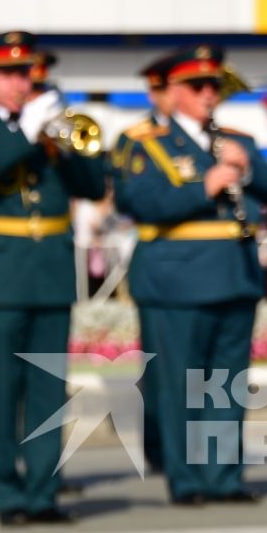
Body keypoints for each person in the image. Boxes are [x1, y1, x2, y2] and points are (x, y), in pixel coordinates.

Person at [115, 44, 267, 505]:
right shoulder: (146, 144)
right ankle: (187, 479)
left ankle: (223, 477)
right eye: (197, 86)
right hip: (177, 278)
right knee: (179, 386)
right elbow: (139, 203)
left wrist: (245, 170)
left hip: (234, 273)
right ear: (173, 91)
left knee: (226, 385)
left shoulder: (237, 139)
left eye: (213, 86)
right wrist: (202, 186)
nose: (209, 94)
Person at [0, 32, 106, 525]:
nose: (21, 82)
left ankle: (43, 491)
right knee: (1, 388)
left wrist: (66, 145)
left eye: (26, 73)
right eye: (10, 74)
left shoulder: (53, 132)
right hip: (2, 272)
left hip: (51, 272)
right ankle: (6, 489)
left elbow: (92, 186)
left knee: (46, 389)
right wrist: (22, 135)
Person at [114, 52, 178, 478]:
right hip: (160, 263)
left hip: (206, 264)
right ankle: (160, 448)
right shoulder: (136, 139)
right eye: (162, 88)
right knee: (160, 368)